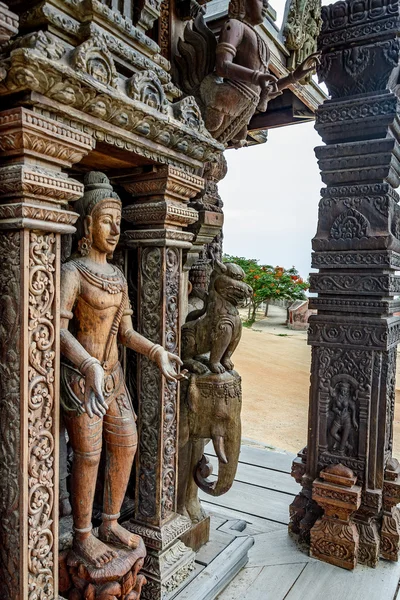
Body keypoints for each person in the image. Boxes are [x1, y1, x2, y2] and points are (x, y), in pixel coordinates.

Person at [60, 172, 183, 568]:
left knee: (127, 443)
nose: (115, 229)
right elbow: (57, 330)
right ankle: (82, 535)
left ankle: (109, 523)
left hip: (112, 378)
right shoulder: (72, 272)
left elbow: (126, 332)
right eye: (106, 220)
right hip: (83, 379)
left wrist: (157, 352)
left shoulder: (116, 277)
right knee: (89, 455)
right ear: (86, 225)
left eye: (118, 221)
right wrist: (87, 363)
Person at [200, 0, 319, 146]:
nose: (266, 5)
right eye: (261, 0)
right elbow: (222, 66)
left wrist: (293, 77)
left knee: (222, 142)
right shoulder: (235, 26)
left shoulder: (259, 40)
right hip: (226, 97)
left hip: (245, 104)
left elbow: (268, 87)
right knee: (206, 134)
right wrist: (255, 77)